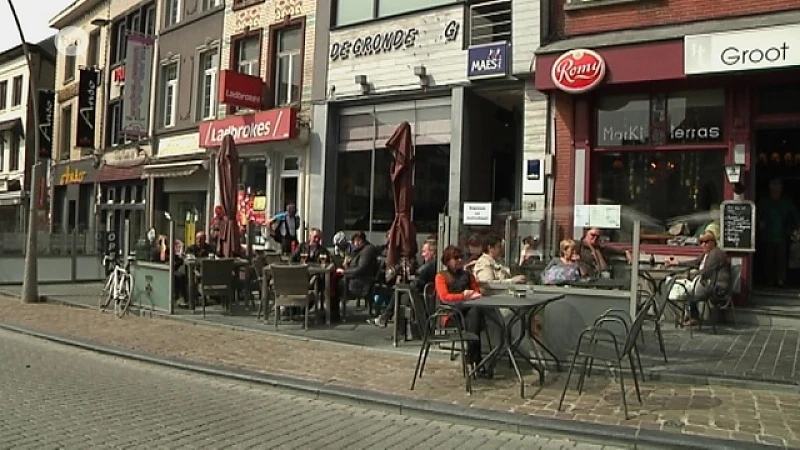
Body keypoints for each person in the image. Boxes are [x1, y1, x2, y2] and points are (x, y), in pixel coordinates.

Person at [434, 245, 491, 377]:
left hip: (468, 315)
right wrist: (464, 296)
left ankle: (472, 358)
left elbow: (476, 291)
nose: (460, 260)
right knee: (474, 320)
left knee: (475, 315)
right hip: (452, 315)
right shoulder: (441, 277)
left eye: (461, 257)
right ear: (447, 260)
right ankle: (476, 361)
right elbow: (444, 297)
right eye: (456, 258)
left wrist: (474, 294)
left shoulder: (467, 275)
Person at [666, 232, 730, 326]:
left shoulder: (715, 254)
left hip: (717, 288)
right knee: (685, 288)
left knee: (687, 291)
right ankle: (690, 315)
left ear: (713, 242)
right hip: (707, 283)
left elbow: (706, 272)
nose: (703, 244)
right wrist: (678, 263)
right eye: (701, 242)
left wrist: (690, 275)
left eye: (706, 242)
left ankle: (693, 316)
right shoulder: (707, 254)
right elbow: (695, 262)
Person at [369, 239, 437, 327]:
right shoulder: (432, 264)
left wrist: (408, 281)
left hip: (420, 297)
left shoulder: (428, 266)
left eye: (424, 251)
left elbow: (416, 282)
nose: (422, 254)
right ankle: (385, 317)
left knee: (397, 291)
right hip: (424, 294)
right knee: (397, 290)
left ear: (432, 252)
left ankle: (386, 317)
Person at [758, 179, 800, 287]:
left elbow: (795, 215)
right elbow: (756, 215)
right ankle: (769, 280)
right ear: (770, 189)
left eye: (778, 188)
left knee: (781, 259)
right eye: (773, 188)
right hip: (767, 236)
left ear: (781, 190)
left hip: (782, 236)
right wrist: (759, 223)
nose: (775, 191)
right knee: (769, 259)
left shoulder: (786, 202)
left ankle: (781, 280)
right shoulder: (764, 202)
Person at [335, 232, 379, 319]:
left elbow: (360, 269)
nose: (355, 244)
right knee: (333, 282)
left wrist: (344, 272)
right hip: (357, 279)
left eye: (356, 241)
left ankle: (333, 313)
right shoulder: (361, 250)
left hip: (360, 283)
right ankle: (333, 312)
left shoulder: (367, 250)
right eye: (354, 241)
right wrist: (347, 264)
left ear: (360, 240)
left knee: (333, 285)